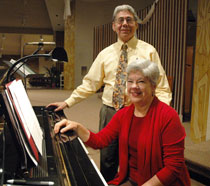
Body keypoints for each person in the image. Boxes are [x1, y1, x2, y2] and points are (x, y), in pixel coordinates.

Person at [48, 4, 172, 182]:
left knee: (139, 159)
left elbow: (161, 86)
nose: (124, 24)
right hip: (110, 113)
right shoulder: (105, 54)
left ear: (136, 24)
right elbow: (90, 84)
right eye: (120, 20)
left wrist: (161, 115)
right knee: (107, 158)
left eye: (129, 20)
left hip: (139, 114)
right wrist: (68, 102)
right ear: (113, 26)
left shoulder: (149, 51)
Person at [54, 59, 191, 186]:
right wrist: (77, 127)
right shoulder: (124, 114)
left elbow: (173, 167)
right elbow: (100, 141)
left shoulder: (168, 116)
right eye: (130, 81)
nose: (134, 87)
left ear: (153, 86)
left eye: (141, 82)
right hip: (131, 180)